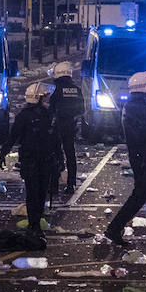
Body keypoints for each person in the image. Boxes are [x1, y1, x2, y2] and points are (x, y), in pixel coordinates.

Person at [104, 71, 146, 248]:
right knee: (141, 196)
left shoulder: (135, 105)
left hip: (141, 155)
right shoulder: (140, 107)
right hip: (142, 158)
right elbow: (144, 134)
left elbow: (140, 136)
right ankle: (115, 228)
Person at [0, 82, 58, 246]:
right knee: (36, 194)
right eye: (45, 96)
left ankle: (35, 224)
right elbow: (15, 136)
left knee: (36, 193)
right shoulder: (40, 115)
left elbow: (13, 137)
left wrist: (3, 152)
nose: (48, 99)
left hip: (36, 159)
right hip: (37, 159)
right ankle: (34, 224)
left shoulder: (36, 115)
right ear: (38, 98)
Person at [48, 61, 85, 195]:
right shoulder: (76, 90)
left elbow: (49, 109)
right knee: (71, 155)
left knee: (55, 154)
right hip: (71, 126)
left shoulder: (55, 90)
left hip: (57, 126)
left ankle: (54, 185)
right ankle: (71, 184)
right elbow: (82, 109)